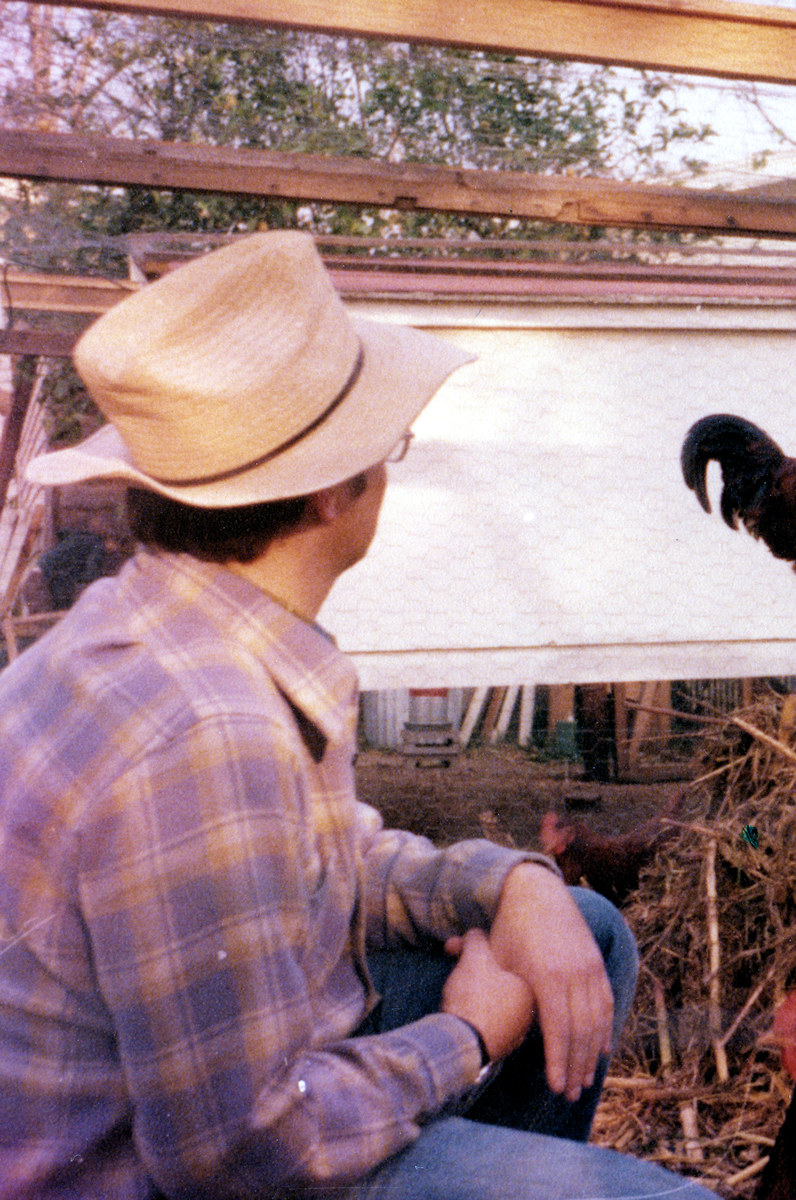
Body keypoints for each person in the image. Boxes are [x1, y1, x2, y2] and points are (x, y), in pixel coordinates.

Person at [0, 231, 716, 1200]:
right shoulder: (208, 732)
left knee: (580, 928)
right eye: (390, 447)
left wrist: (513, 884)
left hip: (199, 1093)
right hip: (159, 1173)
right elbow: (237, 1153)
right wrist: (466, 1038)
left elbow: (320, 860)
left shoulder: (158, 626)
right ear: (339, 491)